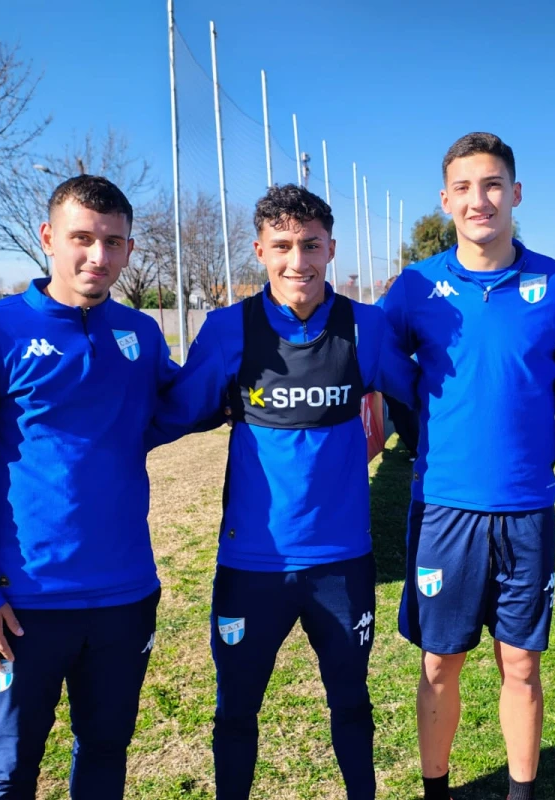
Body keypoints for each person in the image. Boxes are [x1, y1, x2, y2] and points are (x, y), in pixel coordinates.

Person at [149, 184, 417, 799]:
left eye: (311, 245)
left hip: (342, 563)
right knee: (236, 709)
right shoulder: (227, 330)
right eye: (283, 247)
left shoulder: (365, 328)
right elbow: (173, 414)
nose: (298, 261)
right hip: (252, 565)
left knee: (351, 701)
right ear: (259, 251)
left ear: (331, 249)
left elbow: (421, 403)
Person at [0, 175, 178, 799]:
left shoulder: (139, 333)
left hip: (124, 596)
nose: (98, 256)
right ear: (48, 238)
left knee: (105, 754)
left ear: (129, 248)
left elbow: (186, 401)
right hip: (22, 603)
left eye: (113, 242)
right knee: (9, 774)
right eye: (82, 238)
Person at [381, 132, 555, 800]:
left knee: (520, 664)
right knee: (438, 663)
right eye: (464, 187)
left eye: (492, 186)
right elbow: (375, 361)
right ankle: (436, 793)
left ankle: (520, 794)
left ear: (514, 194)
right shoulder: (417, 286)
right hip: (445, 510)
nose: (478, 200)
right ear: (446, 199)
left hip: (525, 511)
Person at [376, 274, 420, 458]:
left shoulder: (380, 307)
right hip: (395, 370)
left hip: (396, 369)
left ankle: (415, 447)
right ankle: (416, 448)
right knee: (405, 412)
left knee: (403, 413)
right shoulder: (383, 310)